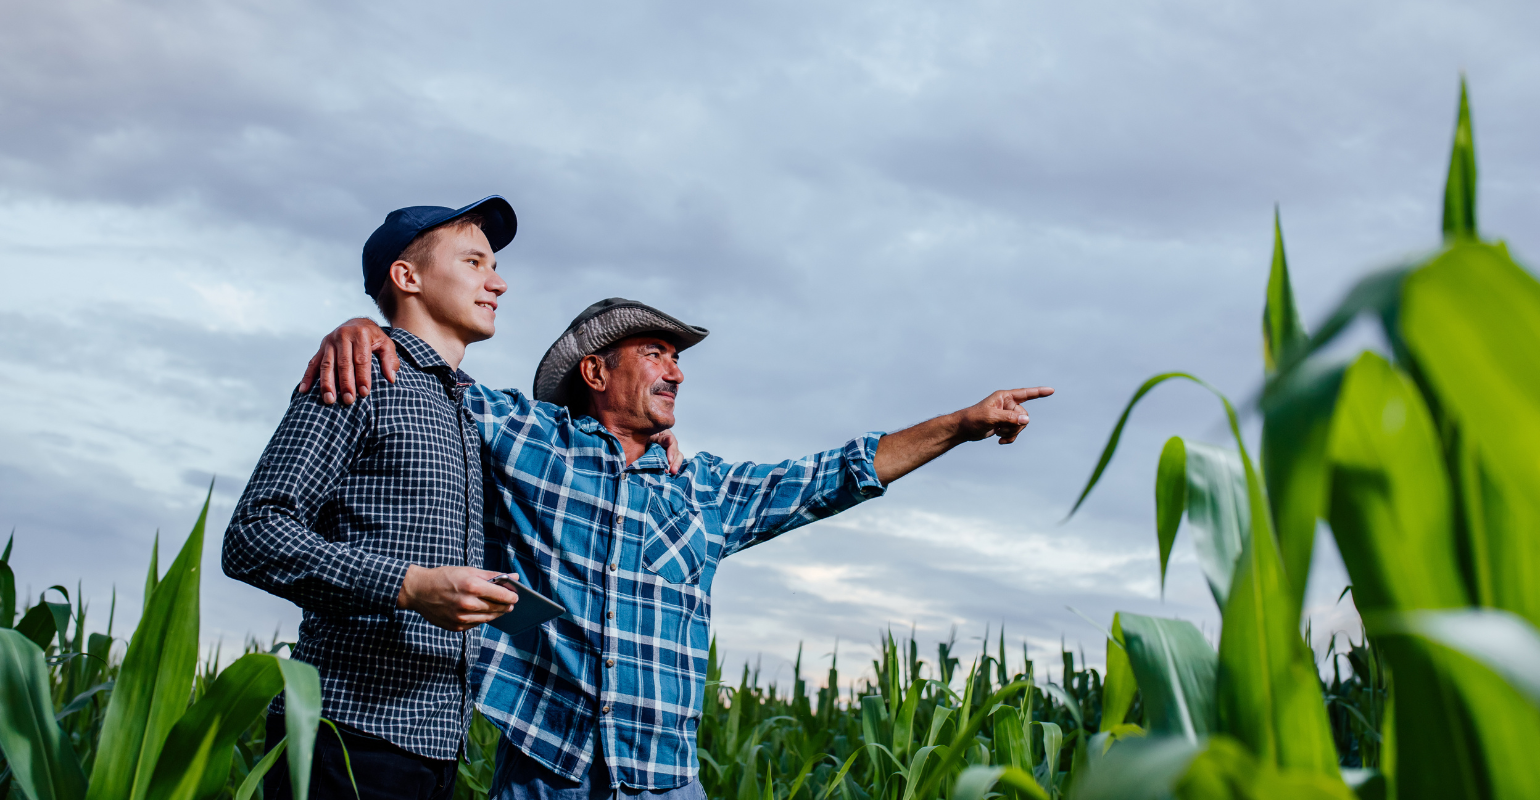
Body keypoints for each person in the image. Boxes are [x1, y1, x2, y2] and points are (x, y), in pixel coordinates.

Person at [299, 298, 1053, 800]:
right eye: (656, 352)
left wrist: (962, 424)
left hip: (666, 784)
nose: (677, 370)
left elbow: (839, 473)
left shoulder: (706, 490)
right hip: (545, 774)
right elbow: (430, 378)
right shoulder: (526, 438)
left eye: (678, 357)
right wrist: (363, 327)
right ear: (596, 371)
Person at [223, 196, 525, 800]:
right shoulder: (359, 373)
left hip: (436, 746)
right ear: (407, 277)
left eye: (493, 266)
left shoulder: (470, 409)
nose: (498, 283)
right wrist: (409, 586)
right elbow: (254, 534)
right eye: (474, 262)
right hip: (345, 734)